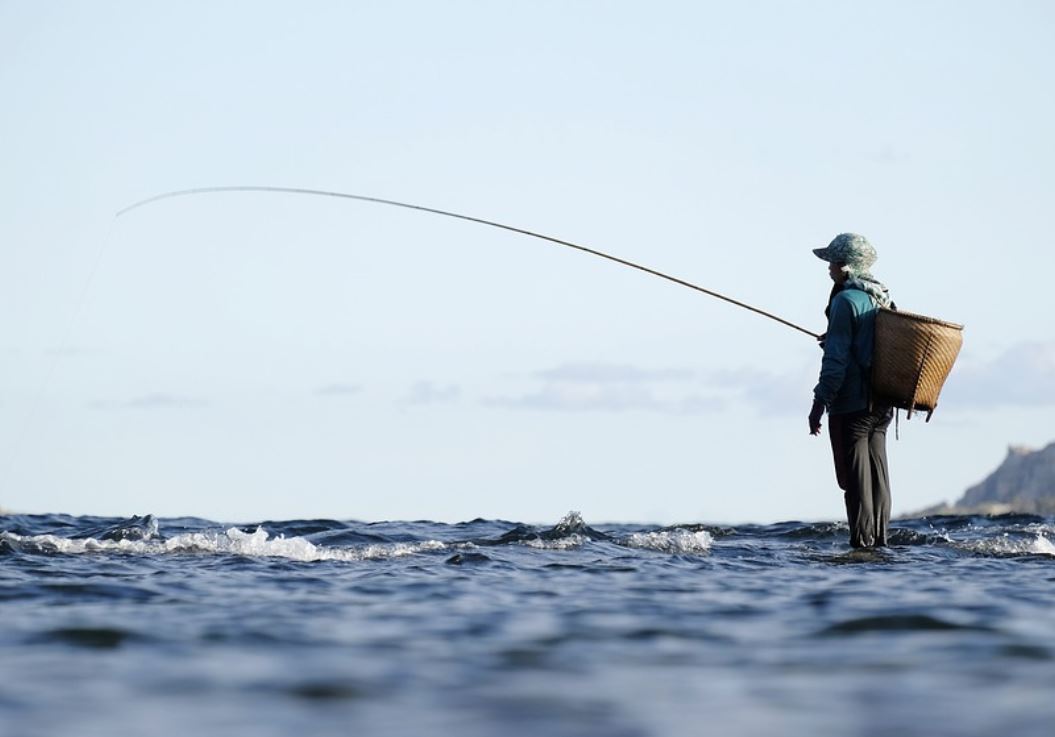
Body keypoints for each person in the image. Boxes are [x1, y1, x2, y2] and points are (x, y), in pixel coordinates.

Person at [808, 233, 894, 548]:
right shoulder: (881, 297)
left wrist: (819, 402)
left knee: (854, 481)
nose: (828, 268)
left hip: (852, 405)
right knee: (878, 477)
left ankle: (862, 546)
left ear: (846, 267)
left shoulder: (845, 301)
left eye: (832, 262)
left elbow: (836, 361)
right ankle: (881, 544)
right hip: (883, 403)